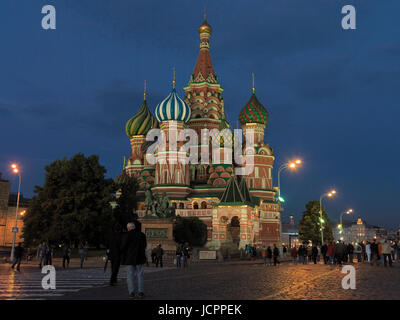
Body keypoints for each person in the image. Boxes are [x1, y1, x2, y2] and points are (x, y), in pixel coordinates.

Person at [120, 221, 147, 299]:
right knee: (140, 275)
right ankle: (141, 292)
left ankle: (131, 292)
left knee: (130, 276)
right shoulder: (142, 235)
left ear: (128, 228)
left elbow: (123, 247)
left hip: (129, 258)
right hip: (140, 258)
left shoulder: (126, 235)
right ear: (134, 227)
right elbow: (144, 245)